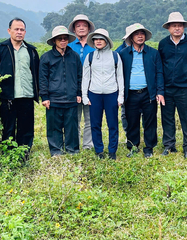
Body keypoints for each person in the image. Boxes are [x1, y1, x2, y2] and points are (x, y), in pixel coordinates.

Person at [0, 18, 40, 152]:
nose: (19, 32)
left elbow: (36, 72)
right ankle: (8, 155)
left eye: (22, 30)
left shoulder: (31, 51)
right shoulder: (0, 49)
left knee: (26, 128)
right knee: (8, 128)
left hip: (26, 95)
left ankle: (24, 153)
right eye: (16, 29)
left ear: (25, 32)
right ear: (9, 31)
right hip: (8, 97)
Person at [157, 12, 187, 160]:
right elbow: (160, 66)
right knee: (167, 117)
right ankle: (169, 145)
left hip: (184, 88)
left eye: (180, 25)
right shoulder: (163, 44)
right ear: (168, 28)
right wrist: (161, 88)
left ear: (183, 27)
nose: (177, 28)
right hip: (167, 88)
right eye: (174, 26)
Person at [118, 23, 164, 158]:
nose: (140, 36)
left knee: (150, 121)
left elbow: (159, 73)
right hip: (131, 93)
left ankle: (149, 147)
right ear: (131, 38)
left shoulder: (153, 53)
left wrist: (159, 91)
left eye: (142, 33)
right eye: (136, 34)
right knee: (132, 121)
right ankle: (133, 146)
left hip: (148, 93)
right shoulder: (123, 54)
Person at [82, 28, 124, 159]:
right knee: (95, 124)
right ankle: (99, 150)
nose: (98, 41)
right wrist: (84, 95)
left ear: (106, 41)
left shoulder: (115, 56)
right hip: (94, 93)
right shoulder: (90, 57)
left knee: (112, 124)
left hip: (111, 93)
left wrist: (120, 95)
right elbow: (86, 77)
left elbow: (120, 76)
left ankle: (112, 151)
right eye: (96, 39)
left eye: (101, 39)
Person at [40, 26, 82, 156]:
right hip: (53, 98)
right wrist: (45, 97)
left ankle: (72, 149)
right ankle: (56, 150)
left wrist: (78, 93)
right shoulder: (47, 57)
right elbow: (42, 78)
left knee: (72, 127)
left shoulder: (74, 56)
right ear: (54, 41)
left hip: (71, 97)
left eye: (65, 38)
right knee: (54, 127)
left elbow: (79, 75)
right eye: (60, 39)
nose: (63, 41)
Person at [68, 14, 96, 150]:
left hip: (91, 88)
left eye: (84, 25)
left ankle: (88, 145)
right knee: (74, 118)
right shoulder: (68, 46)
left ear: (89, 29)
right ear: (74, 29)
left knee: (90, 119)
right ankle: (74, 144)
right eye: (78, 26)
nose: (81, 28)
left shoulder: (95, 46)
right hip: (73, 88)